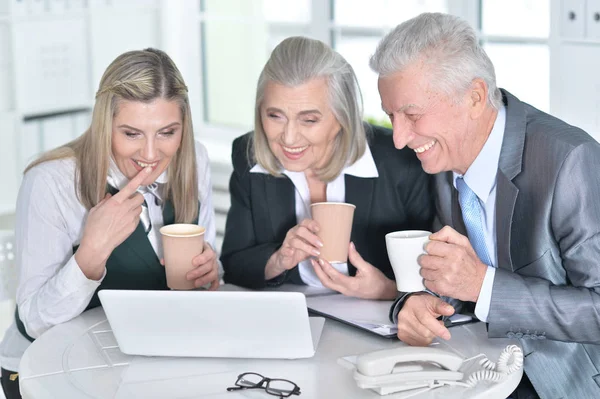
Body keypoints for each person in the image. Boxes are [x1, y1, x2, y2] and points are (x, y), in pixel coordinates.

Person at [370, 12, 600, 399]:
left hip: (570, 383)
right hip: (478, 368)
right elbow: (450, 282)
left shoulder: (570, 161)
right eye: (392, 116)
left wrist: (484, 285)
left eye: (411, 115)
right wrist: (412, 304)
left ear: (475, 97)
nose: (399, 138)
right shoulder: (444, 156)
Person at [0, 48, 220, 399]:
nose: (150, 154)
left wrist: (210, 268)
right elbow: (34, 322)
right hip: (45, 369)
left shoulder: (195, 161)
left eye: (167, 132)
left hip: (142, 363)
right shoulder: (52, 182)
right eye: (131, 133)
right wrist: (92, 252)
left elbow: (209, 265)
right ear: (106, 124)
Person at [221, 36, 433, 300]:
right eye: (274, 116)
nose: (288, 138)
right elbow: (233, 265)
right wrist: (279, 259)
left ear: (342, 117)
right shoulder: (248, 155)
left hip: (381, 320)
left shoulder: (399, 160)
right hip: (293, 316)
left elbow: (436, 274)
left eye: (309, 120)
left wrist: (388, 290)